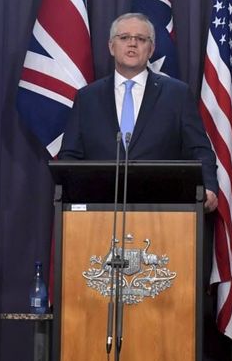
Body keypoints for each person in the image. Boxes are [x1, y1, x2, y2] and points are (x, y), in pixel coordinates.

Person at [60, 12, 219, 212]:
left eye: (141, 39)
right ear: (111, 46)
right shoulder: (87, 98)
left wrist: (209, 187)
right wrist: (70, 194)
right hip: (99, 210)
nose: (132, 44)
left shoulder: (177, 94)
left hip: (163, 209)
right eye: (124, 37)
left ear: (151, 49)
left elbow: (199, 149)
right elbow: (70, 155)